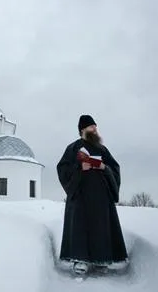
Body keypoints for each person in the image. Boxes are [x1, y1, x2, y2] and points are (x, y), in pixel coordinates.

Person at [56, 114, 128, 275]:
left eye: (95, 126)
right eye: (91, 126)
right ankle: (80, 260)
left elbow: (114, 168)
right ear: (83, 129)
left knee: (101, 226)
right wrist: (80, 168)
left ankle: (101, 259)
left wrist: (104, 167)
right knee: (80, 226)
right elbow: (62, 169)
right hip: (80, 196)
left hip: (101, 197)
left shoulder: (103, 150)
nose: (95, 129)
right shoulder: (73, 148)